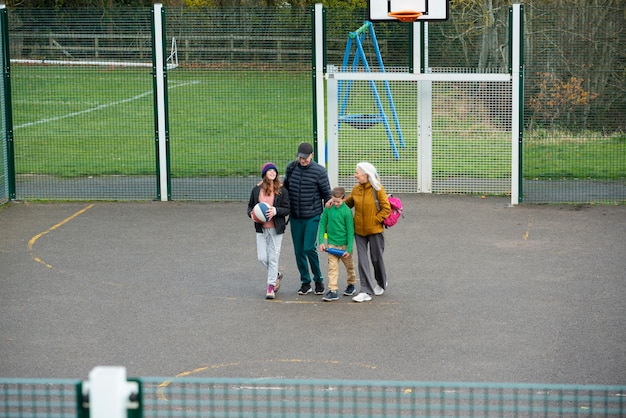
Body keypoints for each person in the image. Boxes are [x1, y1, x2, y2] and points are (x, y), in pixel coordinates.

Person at [283, 142, 332, 295]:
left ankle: (318, 279)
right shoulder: (291, 168)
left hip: (312, 215)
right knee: (298, 251)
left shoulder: (319, 172)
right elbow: (284, 188)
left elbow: (327, 194)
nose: (302, 160)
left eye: (305, 158)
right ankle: (305, 282)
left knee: (309, 247)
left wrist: (329, 212)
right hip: (296, 216)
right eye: (300, 158)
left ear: (312, 155)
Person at [344, 162, 391, 303]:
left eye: (357, 172)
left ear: (366, 174)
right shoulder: (356, 189)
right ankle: (365, 290)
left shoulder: (378, 189)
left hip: (375, 230)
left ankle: (382, 282)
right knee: (362, 260)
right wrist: (335, 203)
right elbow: (348, 204)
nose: (355, 175)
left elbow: (386, 208)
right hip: (359, 231)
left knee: (376, 259)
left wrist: (376, 220)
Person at [247, 162, 290, 299]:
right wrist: (252, 215)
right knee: (262, 258)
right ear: (264, 173)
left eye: (274, 171)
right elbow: (250, 207)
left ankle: (271, 286)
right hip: (261, 230)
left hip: (276, 230)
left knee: (273, 258)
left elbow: (288, 209)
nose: (272, 173)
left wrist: (275, 211)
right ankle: (276, 274)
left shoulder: (282, 190)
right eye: (269, 171)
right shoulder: (256, 190)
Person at [317, 186, 357, 301]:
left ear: (344, 199)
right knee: (332, 268)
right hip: (332, 245)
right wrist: (321, 242)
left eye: (338, 202)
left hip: (344, 246)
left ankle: (351, 284)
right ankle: (333, 290)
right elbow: (323, 224)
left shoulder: (347, 212)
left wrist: (349, 249)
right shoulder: (328, 209)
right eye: (333, 201)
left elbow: (350, 231)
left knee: (350, 267)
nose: (335, 204)